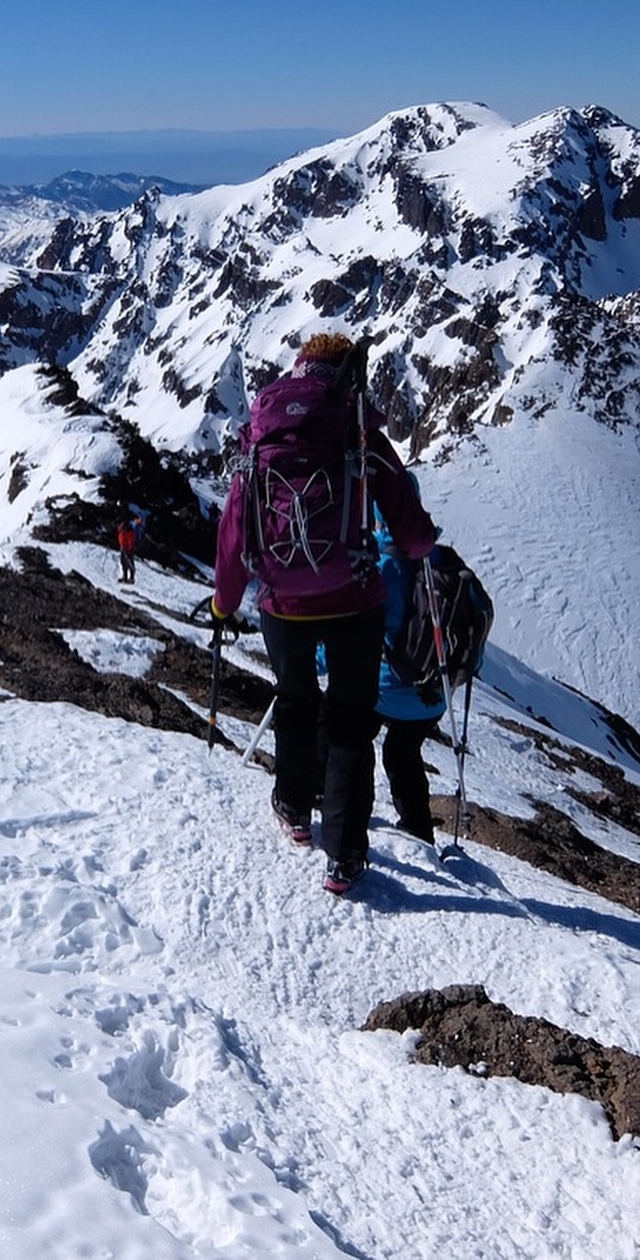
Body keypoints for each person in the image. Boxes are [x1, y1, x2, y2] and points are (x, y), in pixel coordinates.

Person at [211, 332, 437, 894]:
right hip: (354, 598)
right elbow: (410, 534)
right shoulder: (357, 426)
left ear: (301, 366)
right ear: (346, 371)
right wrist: (421, 542)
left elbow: (236, 525)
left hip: (281, 601)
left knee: (293, 700)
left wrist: (224, 600)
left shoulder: (264, 430)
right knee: (351, 722)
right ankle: (345, 856)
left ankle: (292, 809)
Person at [374, 507, 445, 844]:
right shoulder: (437, 556)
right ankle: (418, 828)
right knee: (402, 751)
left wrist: (314, 661)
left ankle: (322, 797)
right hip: (436, 690)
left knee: (340, 727)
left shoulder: (382, 565)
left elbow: (359, 629)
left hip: (390, 691)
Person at [117, 512, 138, 584]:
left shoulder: (128, 530)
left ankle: (132, 578)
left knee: (130, 562)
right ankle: (125, 577)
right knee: (123, 562)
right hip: (123, 547)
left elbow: (131, 541)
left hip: (128, 548)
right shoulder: (122, 530)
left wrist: (130, 549)